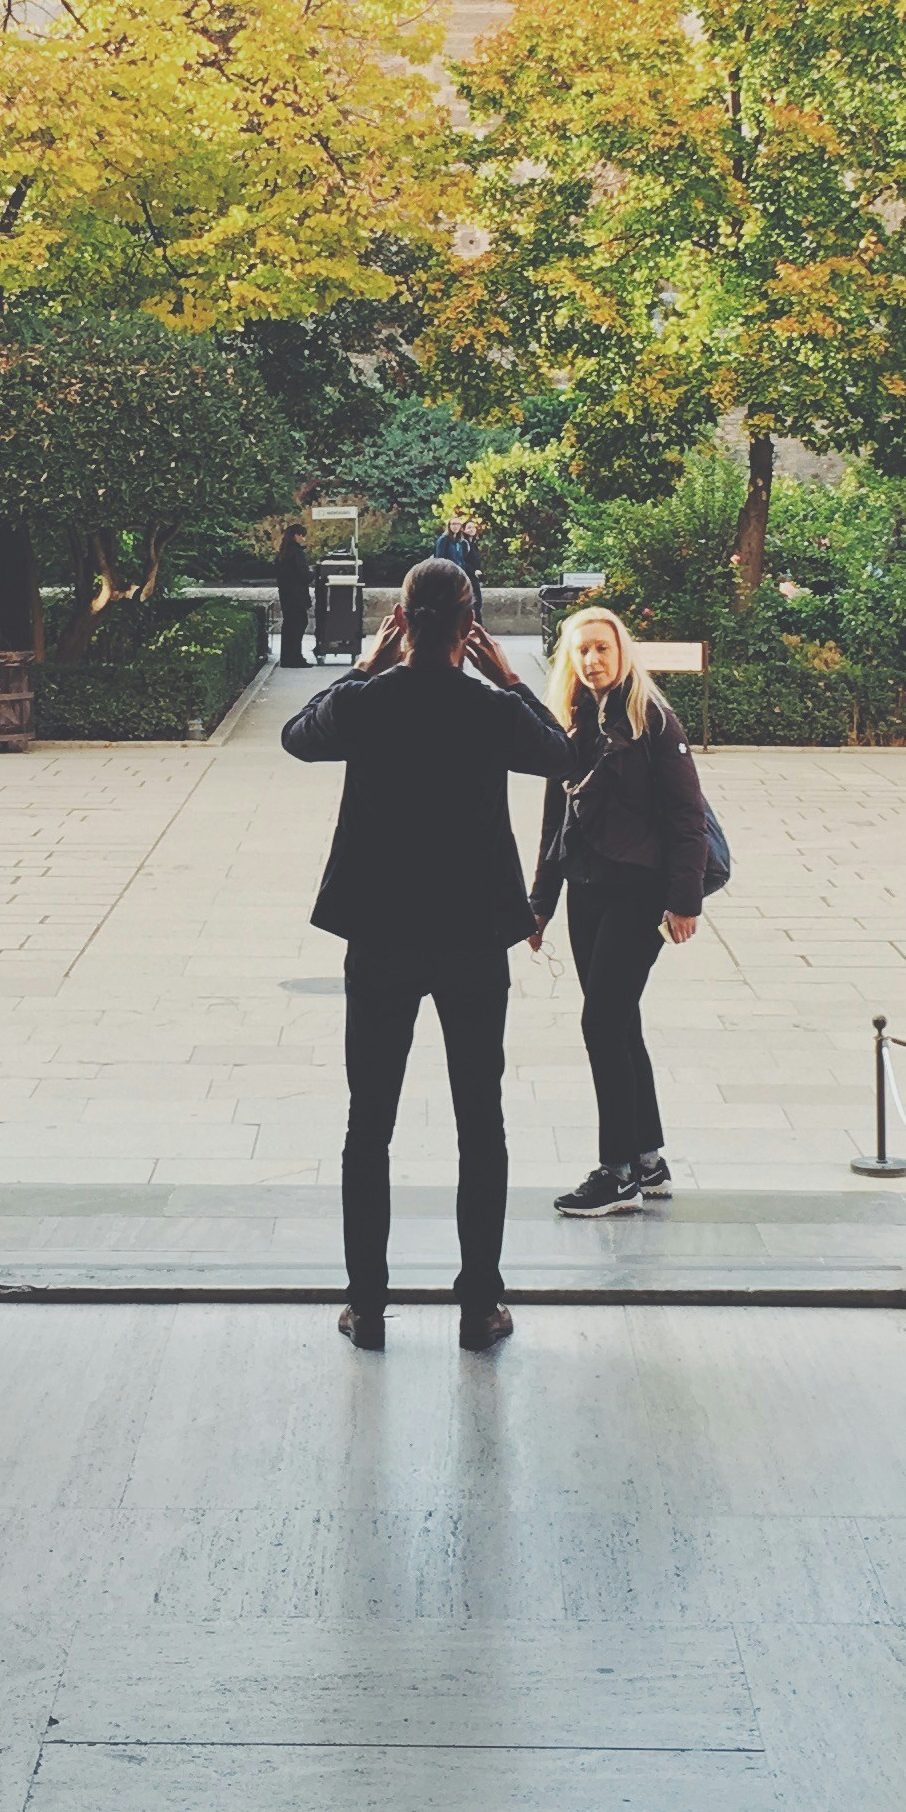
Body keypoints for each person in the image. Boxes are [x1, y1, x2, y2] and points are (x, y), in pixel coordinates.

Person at [279, 555, 581, 1352]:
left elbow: (296, 737)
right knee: (480, 1123)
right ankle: (479, 1307)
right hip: (473, 937)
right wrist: (512, 681)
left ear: (403, 620)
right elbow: (570, 759)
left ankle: (368, 1308)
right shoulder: (490, 711)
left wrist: (362, 666)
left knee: (367, 1125)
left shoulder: (370, 702)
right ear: (470, 628)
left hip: (381, 934)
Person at [526, 604, 707, 1217]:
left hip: (640, 891)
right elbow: (557, 818)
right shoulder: (570, 722)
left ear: (622, 651)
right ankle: (649, 1159)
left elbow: (688, 819)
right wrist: (541, 903)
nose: (593, 659)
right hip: (586, 888)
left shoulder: (651, 718)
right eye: (582, 650)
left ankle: (618, 1172)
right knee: (618, 1020)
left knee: (600, 1021)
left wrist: (685, 901)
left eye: (603, 647)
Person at [273, 525, 314, 669]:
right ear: (296, 535)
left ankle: (287, 657)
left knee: (289, 625)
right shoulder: (297, 553)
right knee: (299, 624)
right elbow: (304, 575)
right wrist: (313, 573)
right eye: (302, 535)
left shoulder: (283, 553)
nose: (303, 539)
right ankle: (295, 658)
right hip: (297, 596)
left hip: (286, 595)